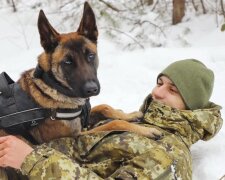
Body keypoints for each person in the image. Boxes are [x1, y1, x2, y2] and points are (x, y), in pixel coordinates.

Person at [0, 59, 223, 179]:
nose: (157, 93)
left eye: (173, 90)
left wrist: (31, 160)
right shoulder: (139, 123)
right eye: (159, 82)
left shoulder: (170, 155)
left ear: (190, 106)